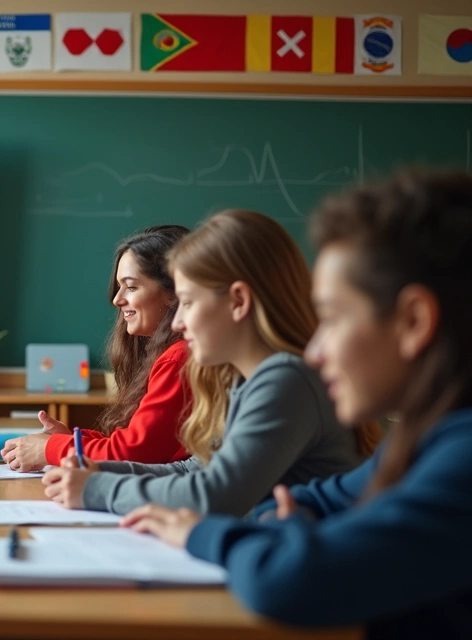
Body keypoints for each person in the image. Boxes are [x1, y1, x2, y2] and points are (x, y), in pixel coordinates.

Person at [123, 171, 472, 639]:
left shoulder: (463, 456)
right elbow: (321, 499)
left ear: (413, 321)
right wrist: (285, 525)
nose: (315, 350)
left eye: (331, 317)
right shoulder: (426, 438)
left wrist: (199, 533)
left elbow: (291, 579)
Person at [44, 209, 378, 516]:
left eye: (187, 302)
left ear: (238, 302)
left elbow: (214, 495)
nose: (177, 323)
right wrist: (97, 470)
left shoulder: (286, 381)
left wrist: (97, 489)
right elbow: (197, 470)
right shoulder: (247, 380)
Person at [2, 225, 192, 471]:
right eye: (119, 287)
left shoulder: (178, 359)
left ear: (173, 292)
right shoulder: (171, 354)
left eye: (131, 287)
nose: (117, 299)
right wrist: (68, 441)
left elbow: (134, 453)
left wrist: (50, 449)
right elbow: (137, 444)